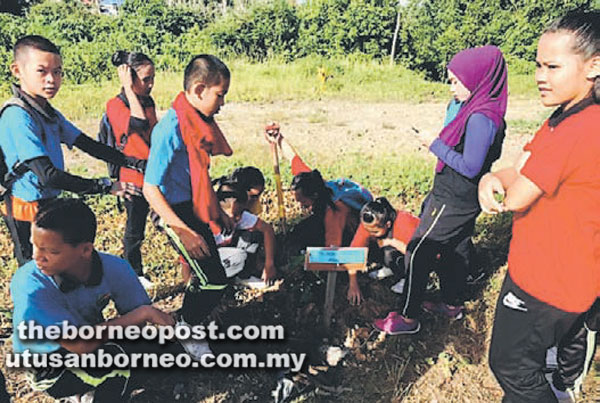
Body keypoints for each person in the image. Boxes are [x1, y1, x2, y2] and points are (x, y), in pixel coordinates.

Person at [479, 11, 600, 402]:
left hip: (549, 282)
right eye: (536, 65)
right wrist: (492, 178)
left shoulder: (581, 129)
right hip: (552, 270)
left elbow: (517, 197)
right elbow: (518, 170)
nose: (539, 76)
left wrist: (501, 185)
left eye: (552, 66)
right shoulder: (565, 117)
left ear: (593, 65)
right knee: (525, 369)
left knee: (512, 365)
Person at [375, 45, 508, 335]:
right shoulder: (485, 109)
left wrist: (433, 144)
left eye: (456, 81)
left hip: (454, 196)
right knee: (454, 249)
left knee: (418, 250)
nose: (452, 87)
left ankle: (407, 318)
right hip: (462, 195)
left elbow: (471, 166)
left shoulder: (480, 118)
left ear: (477, 78)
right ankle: (451, 304)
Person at [10, 198, 178, 402]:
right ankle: (84, 392)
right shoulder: (30, 284)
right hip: (48, 367)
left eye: (52, 251)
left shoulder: (116, 268)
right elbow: (80, 344)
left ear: (85, 250)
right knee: (120, 362)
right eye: (34, 246)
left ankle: (91, 387)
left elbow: (137, 324)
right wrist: (143, 313)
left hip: (86, 338)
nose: (38, 257)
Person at [0, 35, 143, 266]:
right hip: (24, 208)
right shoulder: (18, 116)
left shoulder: (47, 112)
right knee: (36, 270)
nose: (51, 80)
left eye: (57, 72)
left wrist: (133, 162)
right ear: (17, 71)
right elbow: (49, 175)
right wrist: (105, 186)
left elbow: (87, 144)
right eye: (42, 71)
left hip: (46, 203)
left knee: (61, 264)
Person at [143, 55, 233, 337]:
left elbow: (200, 175)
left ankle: (192, 316)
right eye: (220, 95)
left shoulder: (195, 123)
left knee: (210, 275)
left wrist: (218, 211)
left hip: (192, 207)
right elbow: (150, 187)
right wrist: (182, 231)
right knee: (214, 280)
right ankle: (187, 327)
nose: (222, 104)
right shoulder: (171, 128)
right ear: (198, 90)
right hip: (173, 213)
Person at [105, 50, 157, 287]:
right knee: (135, 230)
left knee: (164, 220)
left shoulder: (147, 101)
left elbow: (152, 133)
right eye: (145, 79)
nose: (150, 84)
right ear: (129, 78)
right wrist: (127, 87)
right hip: (131, 176)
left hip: (152, 173)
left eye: (152, 78)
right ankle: (133, 274)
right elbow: (138, 123)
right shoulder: (115, 105)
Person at [266, 129, 361, 253]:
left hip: (351, 235)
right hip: (328, 219)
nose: (300, 206)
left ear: (314, 196)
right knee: (300, 230)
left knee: (309, 234)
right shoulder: (310, 180)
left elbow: (332, 247)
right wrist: (278, 138)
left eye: (304, 202)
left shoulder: (334, 211)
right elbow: (293, 158)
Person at [347, 197, 420, 305]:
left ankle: (407, 279)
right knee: (369, 247)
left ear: (388, 225)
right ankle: (390, 267)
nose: (369, 233)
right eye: (367, 230)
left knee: (389, 253)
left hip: (422, 256)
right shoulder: (370, 225)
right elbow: (354, 251)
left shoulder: (404, 223)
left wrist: (393, 242)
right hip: (394, 247)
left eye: (375, 231)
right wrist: (353, 284)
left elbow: (419, 254)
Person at [212, 177, 277, 285]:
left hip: (229, 257)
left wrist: (269, 264)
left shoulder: (238, 215)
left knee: (253, 236)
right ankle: (222, 283)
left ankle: (242, 276)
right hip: (212, 263)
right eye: (235, 215)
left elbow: (267, 230)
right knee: (239, 255)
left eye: (241, 214)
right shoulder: (208, 224)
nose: (239, 218)